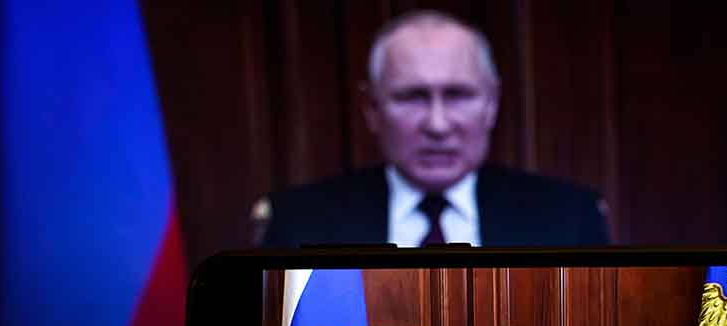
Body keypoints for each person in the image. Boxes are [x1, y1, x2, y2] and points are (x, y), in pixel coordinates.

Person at [255, 10, 610, 248]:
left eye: (458, 95)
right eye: (412, 97)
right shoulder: (299, 225)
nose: (437, 125)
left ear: (492, 103)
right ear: (372, 108)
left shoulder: (569, 220)